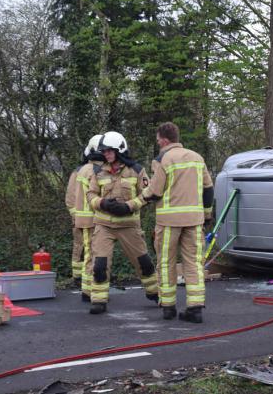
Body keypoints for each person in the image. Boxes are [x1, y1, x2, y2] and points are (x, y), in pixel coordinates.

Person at [138, 122, 214, 323]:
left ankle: (168, 307)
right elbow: (208, 189)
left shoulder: (163, 159)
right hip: (194, 221)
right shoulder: (197, 157)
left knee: (166, 262)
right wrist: (207, 215)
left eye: (158, 140)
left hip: (168, 222)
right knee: (194, 263)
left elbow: (155, 191)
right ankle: (195, 308)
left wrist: (139, 198)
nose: (157, 143)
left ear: (164, 140)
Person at [85, 131, 160, 314]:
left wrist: (129, 206)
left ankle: (155, 292)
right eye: (104, 151)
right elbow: (90, 195)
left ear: (119, 150)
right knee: (100, 265)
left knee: (144, 263)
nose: (106, 154)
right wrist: (102, 203)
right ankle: (98, 301)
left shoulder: (136, 170)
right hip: (104, 226)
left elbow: (147, 194)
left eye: (109, 151)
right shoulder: (98, 171)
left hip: (129, 226)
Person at [65, 135, 103, 295]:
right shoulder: (86, 171)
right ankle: (81, 279)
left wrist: (75, 215)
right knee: (85, 249)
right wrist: (75, 215)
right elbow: (71, 197)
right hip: (87, 218)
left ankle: (83, 279)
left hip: (84, 217)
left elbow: (70, 196)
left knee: (86, 249)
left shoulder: (79, 171)